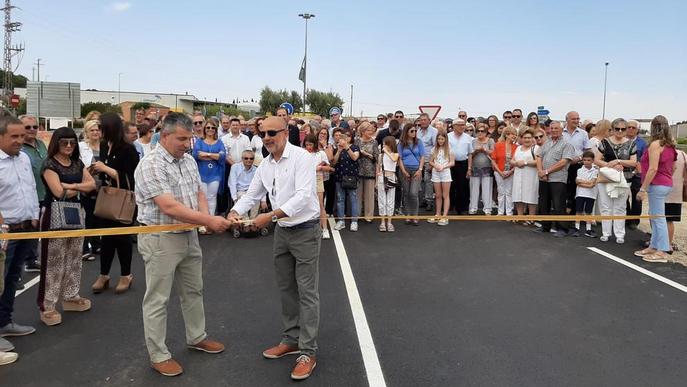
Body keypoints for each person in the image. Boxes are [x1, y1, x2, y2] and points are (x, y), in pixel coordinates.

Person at [135, 112, 230, 377]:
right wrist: (208, 220)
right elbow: (169, 206)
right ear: (164, 136)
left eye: (190, 138)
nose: (187, 144)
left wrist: (203, 221)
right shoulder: (151, 164)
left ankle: (197, 336)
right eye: (182, 139)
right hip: (160, 238)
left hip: (188, 235)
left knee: (193, 290)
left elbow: (199, 191)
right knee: (157, 298)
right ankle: (158, 354)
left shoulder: (187, 161)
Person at [228, 116, 322, 381]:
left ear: (285, 132)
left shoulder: (302, 157)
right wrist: (235, 210)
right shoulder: (265, 164)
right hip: (283, 232)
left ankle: (308, 351)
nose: (267, 137)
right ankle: (291, 340)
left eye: (272, 132)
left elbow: (304, 196)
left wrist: (269, 217)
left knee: (307, 292)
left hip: (305, 230)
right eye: (263, 133)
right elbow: (253, 193)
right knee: (286, 289)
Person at [37, 127, 97, 326]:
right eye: (64, 142)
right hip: (53, 214)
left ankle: (71, 296)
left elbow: (92, 185)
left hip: (76, 214)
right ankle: (48, 305)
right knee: (54, 262)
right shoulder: (49, 165)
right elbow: (56, 191)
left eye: (72, 142)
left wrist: (71, 186)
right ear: (56, 142)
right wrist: (78, 187)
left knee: (74, 258)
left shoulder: (77, 163)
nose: (69, 146)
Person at [0, 116, 38, 351]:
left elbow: (30, 188)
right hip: (5, 234)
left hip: (25, 229)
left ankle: (4, 322)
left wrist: (34, 215)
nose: (20, 141)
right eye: (14, 136)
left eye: (22, 136)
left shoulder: (23, 158)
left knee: (13, 279)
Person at [91, 113, 139, 294]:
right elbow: (105, 172)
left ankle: (126, 275)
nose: (99, 132)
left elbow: (131, 179)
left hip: (123, 201)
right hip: (107, 198)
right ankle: (104, 274)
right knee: (107, 239)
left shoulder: (128, 150)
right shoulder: (105, 146)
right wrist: (98, 171)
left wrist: (106, 169)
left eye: (101, 128)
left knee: (122, 239)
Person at [634, 115, 677, 263]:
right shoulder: (671, 145)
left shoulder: (655, 145)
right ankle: (654, 245)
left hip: (657, 184)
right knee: (654, 215)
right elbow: (674, 167)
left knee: (658, 218)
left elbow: (652, 168)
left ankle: (662, 250)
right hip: (664, 183)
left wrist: (643, 188)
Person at [593, 118, 636, 243]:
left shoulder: (631, 143)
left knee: (620, 207)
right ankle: (606, 232)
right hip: (606, 178)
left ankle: (620, 234)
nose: (620, 131)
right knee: (605, 206)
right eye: (617, 129)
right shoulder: (604, 142)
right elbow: (596, 159)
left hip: (624, 179)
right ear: (612, 129)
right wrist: (610, 165)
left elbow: (634, 162)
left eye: (623, 129)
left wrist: (619, 161)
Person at [534, 121, 575, 237]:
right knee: (544, 204)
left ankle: (562, 228)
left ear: (562, 130)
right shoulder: (546, 143)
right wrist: (541, 172)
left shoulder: (567, 144)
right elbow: (538, 156)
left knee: (558, 205)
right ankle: (545, 226)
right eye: (552, 128)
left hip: (558, 179)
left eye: (556, 128)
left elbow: (563, 162)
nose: (554, 130)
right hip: (544, 179)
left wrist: (547, 171)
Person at [19, 114, 47, 275]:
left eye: (35, 127)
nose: (31, 130)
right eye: (27, 127)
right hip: (28, 195)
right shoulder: (18, 148)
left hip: (44, 192)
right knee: (27, 229)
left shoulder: (41, 143)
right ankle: (27, 261)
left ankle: (31, 259)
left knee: (37, 229)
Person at [193, 118, 226, 229]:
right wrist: (213, 155)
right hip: (201, 174)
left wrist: (205, 155)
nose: (210, 129)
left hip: (215, 174)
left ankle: (211, 223)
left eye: (213, 127)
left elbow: (222, 156)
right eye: (208, 127)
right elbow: (196, 155)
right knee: (203, 198)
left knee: (212, 197)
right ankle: (203, 223)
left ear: (216, 129)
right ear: (204, 129)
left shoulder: (220, 142)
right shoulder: (199, 141)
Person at [78, 120, 103, 261]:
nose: (95, 132)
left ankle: (97, 244)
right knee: (88, 217)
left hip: (103, 187)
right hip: (87, 187)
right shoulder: (82, 147)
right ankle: (84, 248)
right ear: (86, 132)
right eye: (92, 130)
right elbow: (78, 165)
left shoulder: (104, 146)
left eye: (97, 130)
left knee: (99, 216)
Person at [332, 128, 361, 231]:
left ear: (350, 138)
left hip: (351, 177)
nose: (345, 138)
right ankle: (341, 221)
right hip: (340, 177)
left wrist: (347, 147)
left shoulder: (355, 147)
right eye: (343, 136)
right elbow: (334, 162)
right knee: (340, 199)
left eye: (347, 136)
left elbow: (354, 158)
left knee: (353, 199)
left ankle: (354, 221)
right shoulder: (338, 148)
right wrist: (339, 151)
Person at [562, 111, 591, 214]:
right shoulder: (560, 133)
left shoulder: (583, 133)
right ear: (567, 120)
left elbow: (587, 151)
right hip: (562, 166)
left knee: (575, 191)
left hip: (577, 165)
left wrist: (579, 158)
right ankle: (562, 215)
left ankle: (574, 217)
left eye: (578, 118)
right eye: (573, 119)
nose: (576, 121)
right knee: (563, 190)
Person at [305, 135, 333, 239]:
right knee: (307, 205)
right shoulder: (302, 154)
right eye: (307, 144)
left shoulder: (321, 154)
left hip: (318, 179)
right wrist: (315, 168)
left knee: (320, 205)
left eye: (310, 144)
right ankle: (309, 230)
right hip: (306, 181)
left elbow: (328, 167)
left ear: (315, 144)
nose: (308, 147)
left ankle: (324, 229)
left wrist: (320, 167)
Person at [397, 123, 425, 224]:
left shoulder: (419, 142)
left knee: (414, 193)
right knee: (406, 193)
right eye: (412, 131)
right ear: (406, 132)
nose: (414, 133)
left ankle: (415, 215)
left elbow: (422, 156)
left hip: (417, 169)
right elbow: (399, 158)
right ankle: (408, 214)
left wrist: (420, 169)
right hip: (405, 169)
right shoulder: (401, 143)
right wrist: (403, 171)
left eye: (415, 131)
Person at [228, 149, 265, 220]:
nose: (249, 160)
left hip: (251, 191)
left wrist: (263, 200)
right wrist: (234, 198)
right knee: (242, 198)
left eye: (251, 158)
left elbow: (261, 186)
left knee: (256, 199)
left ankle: (253, 220)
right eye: (246, 158)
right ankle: (245, 222)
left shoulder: (256, 169)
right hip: (240, 191)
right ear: (242, 159)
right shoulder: (235, 167)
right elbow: (232, 183)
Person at [512, 129, 539, 223]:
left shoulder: (536, 148)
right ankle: (520, 216)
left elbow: (538, 161)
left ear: (532, 138)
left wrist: (525, 162)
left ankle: (532, 217)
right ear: (521, 139)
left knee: (531, 195)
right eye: (525, 138)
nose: (527, 140)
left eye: (529, 138)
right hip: (518, 174)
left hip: (531, 175)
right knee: (518, 195)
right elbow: (512, 160)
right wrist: (516, 163)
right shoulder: (518, 148)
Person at [468, 123, 495, 215]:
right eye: (478, 131)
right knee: (474, 188)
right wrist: (476, 151)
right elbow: (470, 155)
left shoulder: (490, 141)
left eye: (482, 131)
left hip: (487, 168)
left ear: (486, 132)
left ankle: (487, 208)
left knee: (487, 189)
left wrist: (485, 150)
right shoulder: (473, 141)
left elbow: (493, 153)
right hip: (475, 167)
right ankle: (473, 207)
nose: (480, 133)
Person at [354, 122, 379, 223]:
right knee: (358, 195)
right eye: (368, 130)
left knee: (369, 195)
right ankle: (358, 214)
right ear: (363, 131)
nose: (371, 132)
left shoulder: (374, 142)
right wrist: (360, 154)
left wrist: (367, 154)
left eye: (372, 130)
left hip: (370, 171)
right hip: (358, 170)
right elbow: (354, 154)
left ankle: (369, 216)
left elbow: (376, 157)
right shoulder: (357, 141)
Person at [428, 131, 454, 225]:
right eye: (439, 139)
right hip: (436, 173)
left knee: (445, 195)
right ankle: (437, 214)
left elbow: (452, 162)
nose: (440, 141)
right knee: (438, 195)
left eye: (442, 139)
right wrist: (435, 165)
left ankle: (445, 216)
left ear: (445, 139)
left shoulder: (449, 149)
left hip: (445, 173)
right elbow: (430, 161)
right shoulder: (433, 149)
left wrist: (443, 166)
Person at [491, 127, 518, 216]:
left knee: (509, 192)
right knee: (501, 192)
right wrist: (500, 172)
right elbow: (493, 160)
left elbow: (517, 162)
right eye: (512, 134)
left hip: (511, 172)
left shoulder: (517, 147)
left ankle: (509, 212)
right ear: (506, 135)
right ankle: (500, 212)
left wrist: (510, 171)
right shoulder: (498, 145)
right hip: (499, 172)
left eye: (515, 134)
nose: (514, 136)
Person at [626, 119, 648, 229]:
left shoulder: (643, 143)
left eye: (633, 127)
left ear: (637, 130)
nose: (630, 129)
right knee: (623, 196)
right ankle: (626, 218)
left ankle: (634, 221)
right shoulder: (621, 140)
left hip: (637, 174)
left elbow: (645, 160)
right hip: (624, 173)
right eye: (628, 127)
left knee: (636, 198)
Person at [448, 119, 473, 214]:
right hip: (450, 164)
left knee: (462, 186)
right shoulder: (448, 136)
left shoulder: (468, 137)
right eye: (460, 125)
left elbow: (470, 154)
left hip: (463, 164)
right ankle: (450, 206)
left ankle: (461, 208)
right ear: (454, 126)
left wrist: (469, 168)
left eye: (463, 125)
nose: (462, 127)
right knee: (451, 186)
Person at [572, 151, 598, 237]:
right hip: (580, 193)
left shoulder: (595, 170)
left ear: (593, 160)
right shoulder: (579, 170)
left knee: (588, 212)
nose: (586, 162)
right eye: (584, 160)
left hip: (591, 194)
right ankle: (577, 228)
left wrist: (583, 182)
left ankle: (588, 229)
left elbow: (592, 184)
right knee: (578, 211)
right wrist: (588, 183)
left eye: (588, 160)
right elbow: (577, 182)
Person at [416, 113, 438, 212]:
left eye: (425, 120)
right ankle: (424, 199)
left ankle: (429, 201)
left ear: (429, 121)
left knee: (428, 181)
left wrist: (432, 162)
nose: (423, 122)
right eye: (421, 120)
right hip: (419, 160)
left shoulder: (434, 131)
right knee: (421, 181)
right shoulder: (418, 131)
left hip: (429, 160)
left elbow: (436, 147)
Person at [377, 136, 399, 232]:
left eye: (385, 143)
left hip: (391, 177)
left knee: (390, 200)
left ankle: (389, 222)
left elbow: (394, 159)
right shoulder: (380, 156)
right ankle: (382, 222)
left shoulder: (396, 154)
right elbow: (378, 167)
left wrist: (386, 151)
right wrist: (376, 180)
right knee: (382, 200)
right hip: (382, 177)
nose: (384, 145)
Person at [665, 148, 685, 253]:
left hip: (663, 189)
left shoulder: (664, 152)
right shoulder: (683, 154)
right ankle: (668, 243)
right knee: (670, 220)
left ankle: (662, 242)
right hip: (677, 192)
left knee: (657, 218)